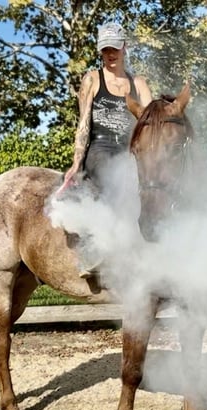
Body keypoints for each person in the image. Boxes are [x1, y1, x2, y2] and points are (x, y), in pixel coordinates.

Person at [60, 22, 153, 278]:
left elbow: (150, 125)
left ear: (125, 47)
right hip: (100, 147)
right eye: (105, 50)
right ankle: (93, 250)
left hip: (128, 150)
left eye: (115, 48)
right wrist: (77, 162)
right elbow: (83, 123)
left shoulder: (139, 84)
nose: (110, 54)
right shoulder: (92, 79)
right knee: (113, 174)